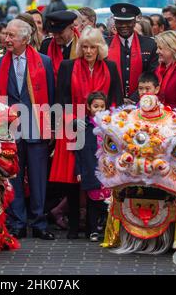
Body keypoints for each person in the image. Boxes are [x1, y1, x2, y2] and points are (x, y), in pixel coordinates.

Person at [50, 27, 123, 239]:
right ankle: (73, 226)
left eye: (92, 47)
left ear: (100, 48)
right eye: (85, 47)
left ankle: (95, 225)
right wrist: (72, 122)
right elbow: (60, 100)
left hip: (101, 129)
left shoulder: (110, 66)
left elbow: (116, 99)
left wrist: (109, 125)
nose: (88, 51)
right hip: (74, 127)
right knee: (73, 177)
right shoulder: (68, 66)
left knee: (98, 176)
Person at [0, 19, 55, 240]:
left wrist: (51, 128)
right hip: (9, 130)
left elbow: (51, 97)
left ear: (26, 39)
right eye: (5, 34)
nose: (6, 39)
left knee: (38, 179)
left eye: (12, 36)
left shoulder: (43, 62)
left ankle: (39, 222)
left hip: (36, 127)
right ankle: (16, 222)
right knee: (13, 178)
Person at [74, 91, 110, 242]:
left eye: (102, 106)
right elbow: (78, 151)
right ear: (89, 107)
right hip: (90, 166)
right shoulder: (84, 126)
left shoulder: (111, 125)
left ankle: (108, 228)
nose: (99, 110)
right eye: (96, 106)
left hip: (108, 168)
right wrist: (78, 170)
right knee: (92, 200)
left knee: (108, 199)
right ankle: (93, 229)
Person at [107, 3, 158, 103]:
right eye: (120, 22)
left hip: (142, 101)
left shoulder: (150, 44)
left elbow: (152, 74)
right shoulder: (105, 44)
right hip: (112, 101)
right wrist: (119, 99)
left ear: (134, 22)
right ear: (115, 23)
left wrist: (133, 99)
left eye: (128, 22)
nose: (123, 25)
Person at [39, 10, 79, 76]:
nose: (56, 36)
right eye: (54, 32)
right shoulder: (46, 45)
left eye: (60, 32)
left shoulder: (82, 46)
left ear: (72, 28)